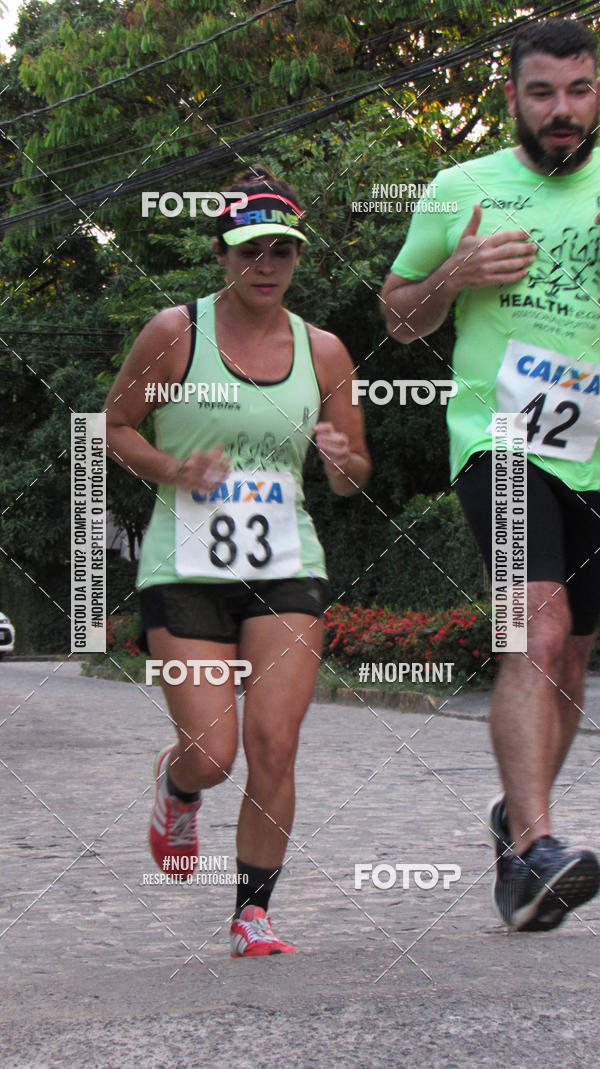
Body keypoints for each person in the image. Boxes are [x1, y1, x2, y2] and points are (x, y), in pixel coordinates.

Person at [104, 166, 370, 956]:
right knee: (215, 753)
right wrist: (172, 469)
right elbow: (115, 426)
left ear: (297, 258)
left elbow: (357, 474)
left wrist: (336, 457)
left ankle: (253, 913)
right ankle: (179, 785)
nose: (267, 265)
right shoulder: (173, 333)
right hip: (183, 567)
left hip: (286, 562)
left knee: (276, 744)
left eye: (282, 250)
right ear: (222, 254)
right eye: (251, 250)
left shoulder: (323, 353)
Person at [381, 18, 600, 931]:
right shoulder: (460, 189)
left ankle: (518, 840)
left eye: (579, 91)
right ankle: (542, 840)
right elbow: (398, 318)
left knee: (571, 659)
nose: (562, 111)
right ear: (510, 96)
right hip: (499, 439)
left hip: (591, 455)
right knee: (534, 627)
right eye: (542, 92)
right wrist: (458, 271)